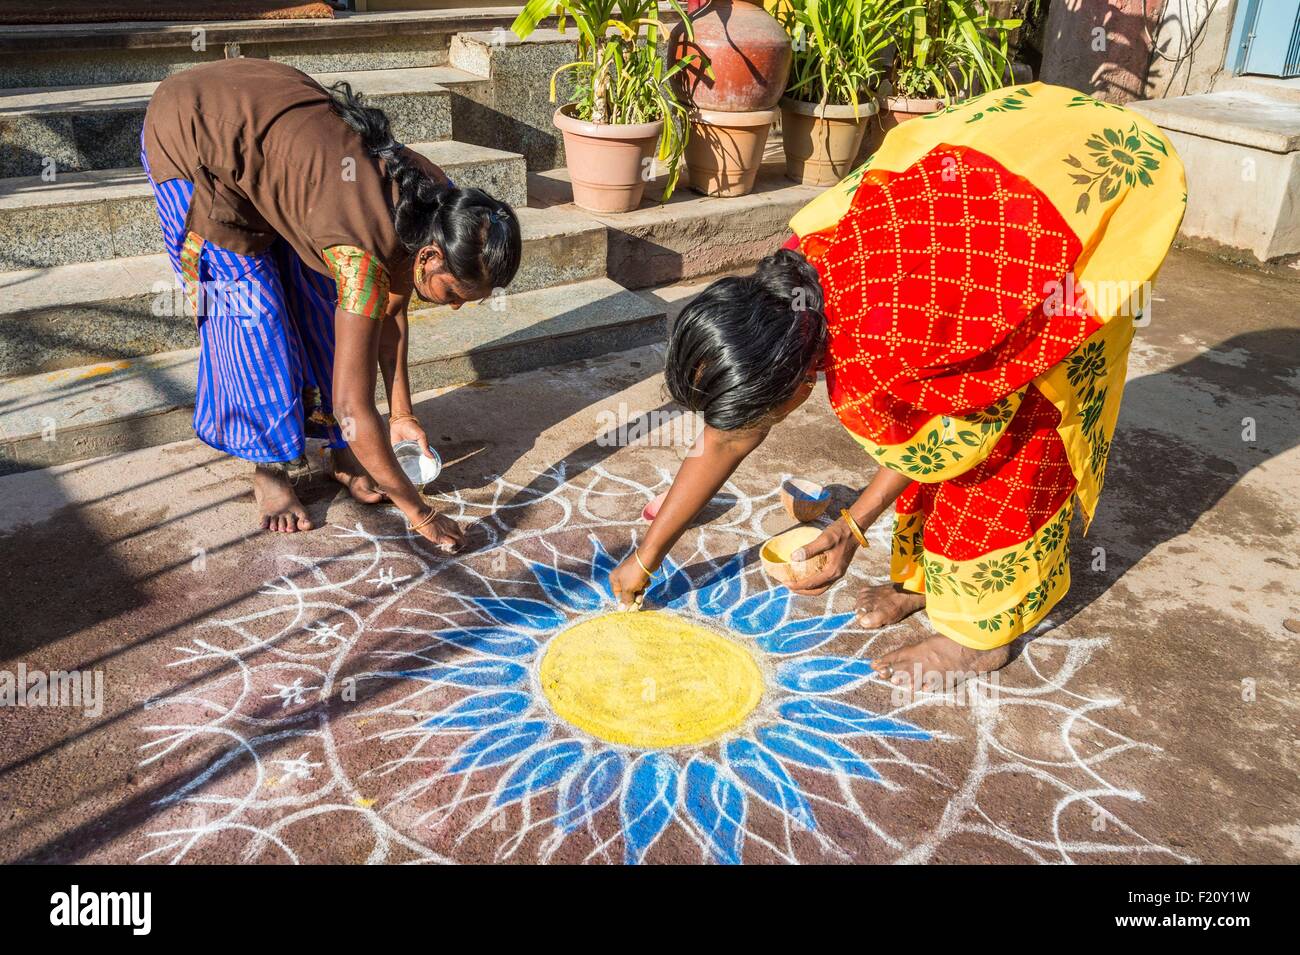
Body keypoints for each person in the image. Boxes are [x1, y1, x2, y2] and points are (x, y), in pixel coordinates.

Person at [609, 83, 1186, 689]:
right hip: (1012, 167)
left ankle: (982, 636)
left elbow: (954, 433)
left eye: (762, 419)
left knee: (1016, 439)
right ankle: (922, 580)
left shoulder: (885, 354)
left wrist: (851, 526)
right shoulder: (795, 273)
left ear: (799, 384)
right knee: (920, 423)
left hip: (1090, 196)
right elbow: (728, 439)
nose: (747, 431)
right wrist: (645, 559)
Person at [141, 58, 521, 545]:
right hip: (194, 132)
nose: (453, 308)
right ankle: (271, 467)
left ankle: (345, 453)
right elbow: (351, 404)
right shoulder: (361, 254)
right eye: (454, 294)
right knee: (254, 312)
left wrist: (402, 415)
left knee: (332, 308)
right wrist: (420, 514)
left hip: (277, 143)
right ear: (430, 256)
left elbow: (392, 309)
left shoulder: (446, 205)